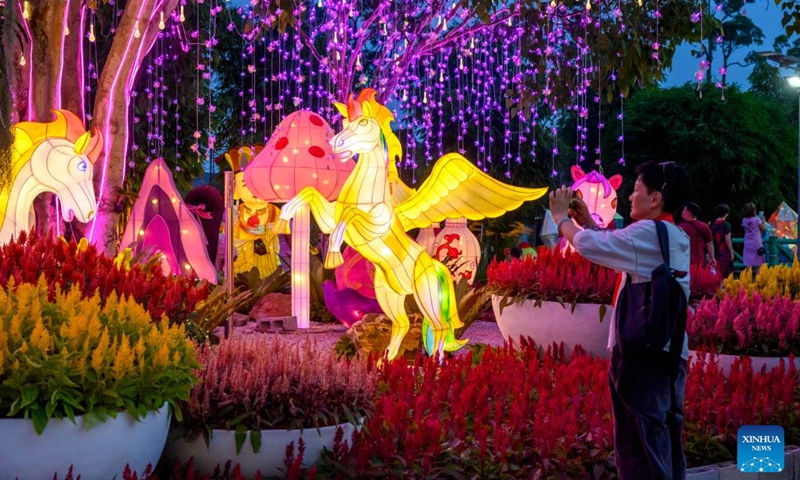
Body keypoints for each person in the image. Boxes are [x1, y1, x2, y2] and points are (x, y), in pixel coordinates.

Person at [549, 161, 690, 480]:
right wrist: (589, 224)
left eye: (637, 189)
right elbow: (622, 252)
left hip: (642, 359)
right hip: (667, 356)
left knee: (638, 450)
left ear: (655, 199)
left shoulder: (648, 233)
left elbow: (591, 247)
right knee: (660, 443)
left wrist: (561, 220)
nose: (628, 197)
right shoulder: (672, 235)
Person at [678, 202, 714, 267]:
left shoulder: (680, 228)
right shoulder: (704, 226)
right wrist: (712, 258)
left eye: (684, 210)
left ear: (688, 212)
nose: (682, 212)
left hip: (683, 260)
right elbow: (710, 243)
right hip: (699, 260)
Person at [711, 204, 734, 280]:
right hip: (724, 251)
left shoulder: (713, 224)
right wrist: (731, 251)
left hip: (715, 250)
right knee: (725, 271)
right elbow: (727, 239)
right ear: (727, 213)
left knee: (717, 270)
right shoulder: (726, 225)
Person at [741, 202, 767, 273]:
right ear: (754, 211)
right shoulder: (757, 219)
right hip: (756, 243)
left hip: (747, 243)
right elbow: (764, 229)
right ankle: (757, 279)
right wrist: (763, 221)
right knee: (760, 262)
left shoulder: (744, 220)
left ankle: (746, 279)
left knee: (748, 262)